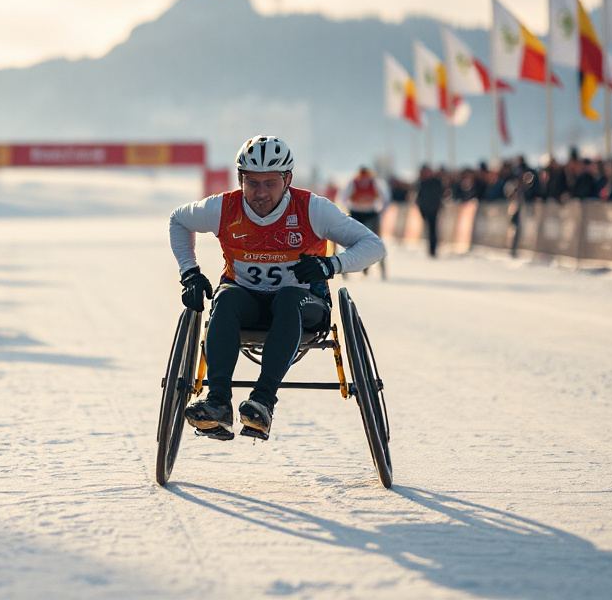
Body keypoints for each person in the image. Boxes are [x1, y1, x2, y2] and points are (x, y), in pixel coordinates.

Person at [170, 135, 385, 441]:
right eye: (253, 183)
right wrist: (189, 272)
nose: (261, 193)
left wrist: (330, 265)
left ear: (287, 180)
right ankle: (218, 402)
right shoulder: (224, 208)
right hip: (247, 302)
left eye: (270, 183)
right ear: (240, 179)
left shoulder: (313, 209)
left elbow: (373, 245)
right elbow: (178, 220)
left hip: (303, 305)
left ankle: (263, 401)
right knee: (225, 298)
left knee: (288, 297)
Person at [337, 166, 389, 277]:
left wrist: (379, 210)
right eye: (362, 175)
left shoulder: (374, 183)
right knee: (351, 241)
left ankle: (379, 268)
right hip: (356, 213)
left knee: (375, 240)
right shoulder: (353, 183)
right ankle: (344, 268)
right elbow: (342, 197)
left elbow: (385, 197)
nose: (364, 178)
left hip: (370, 214)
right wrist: (345, 210)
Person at [414, 165, 445, 257]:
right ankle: (431, 248)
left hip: (434, 209)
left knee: (433, 230)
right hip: (426, 210)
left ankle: (433, 249)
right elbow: (419, 198)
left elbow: (441, 194)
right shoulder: (421, 183)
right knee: (429, 230)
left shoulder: (436, 182)